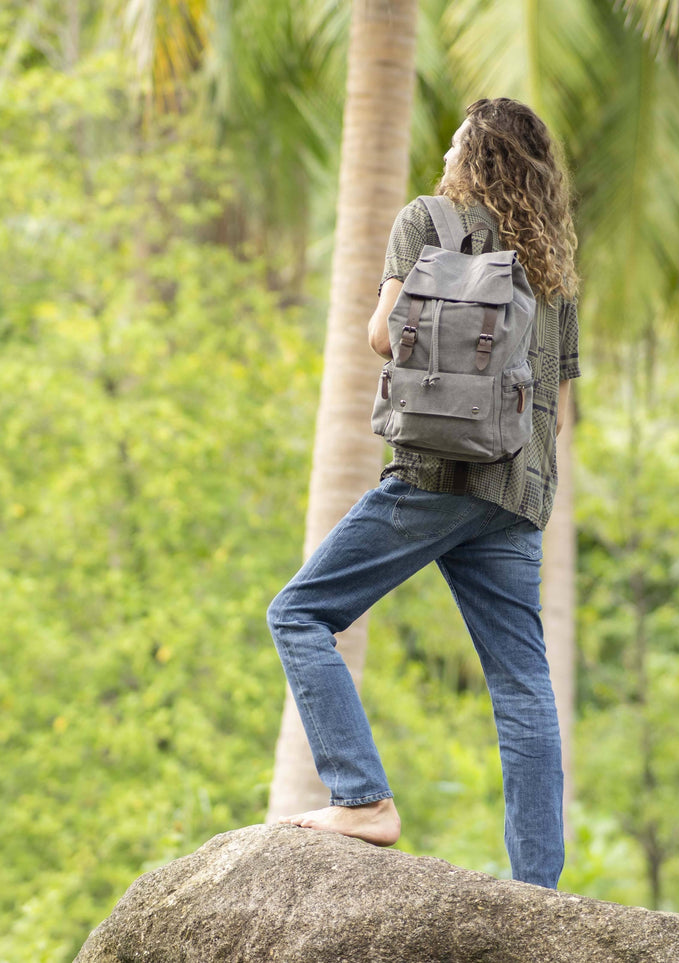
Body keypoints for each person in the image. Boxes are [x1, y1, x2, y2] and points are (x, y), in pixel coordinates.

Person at [267, 97, 581, 890]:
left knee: (299, 613)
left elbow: (381, 335)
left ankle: (361, 796)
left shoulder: (426, 220)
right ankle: (537, 885)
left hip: (434, 472)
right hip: (515, 488)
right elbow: (560, 398)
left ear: (467, 154)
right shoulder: (554, 264)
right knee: (520, 683)